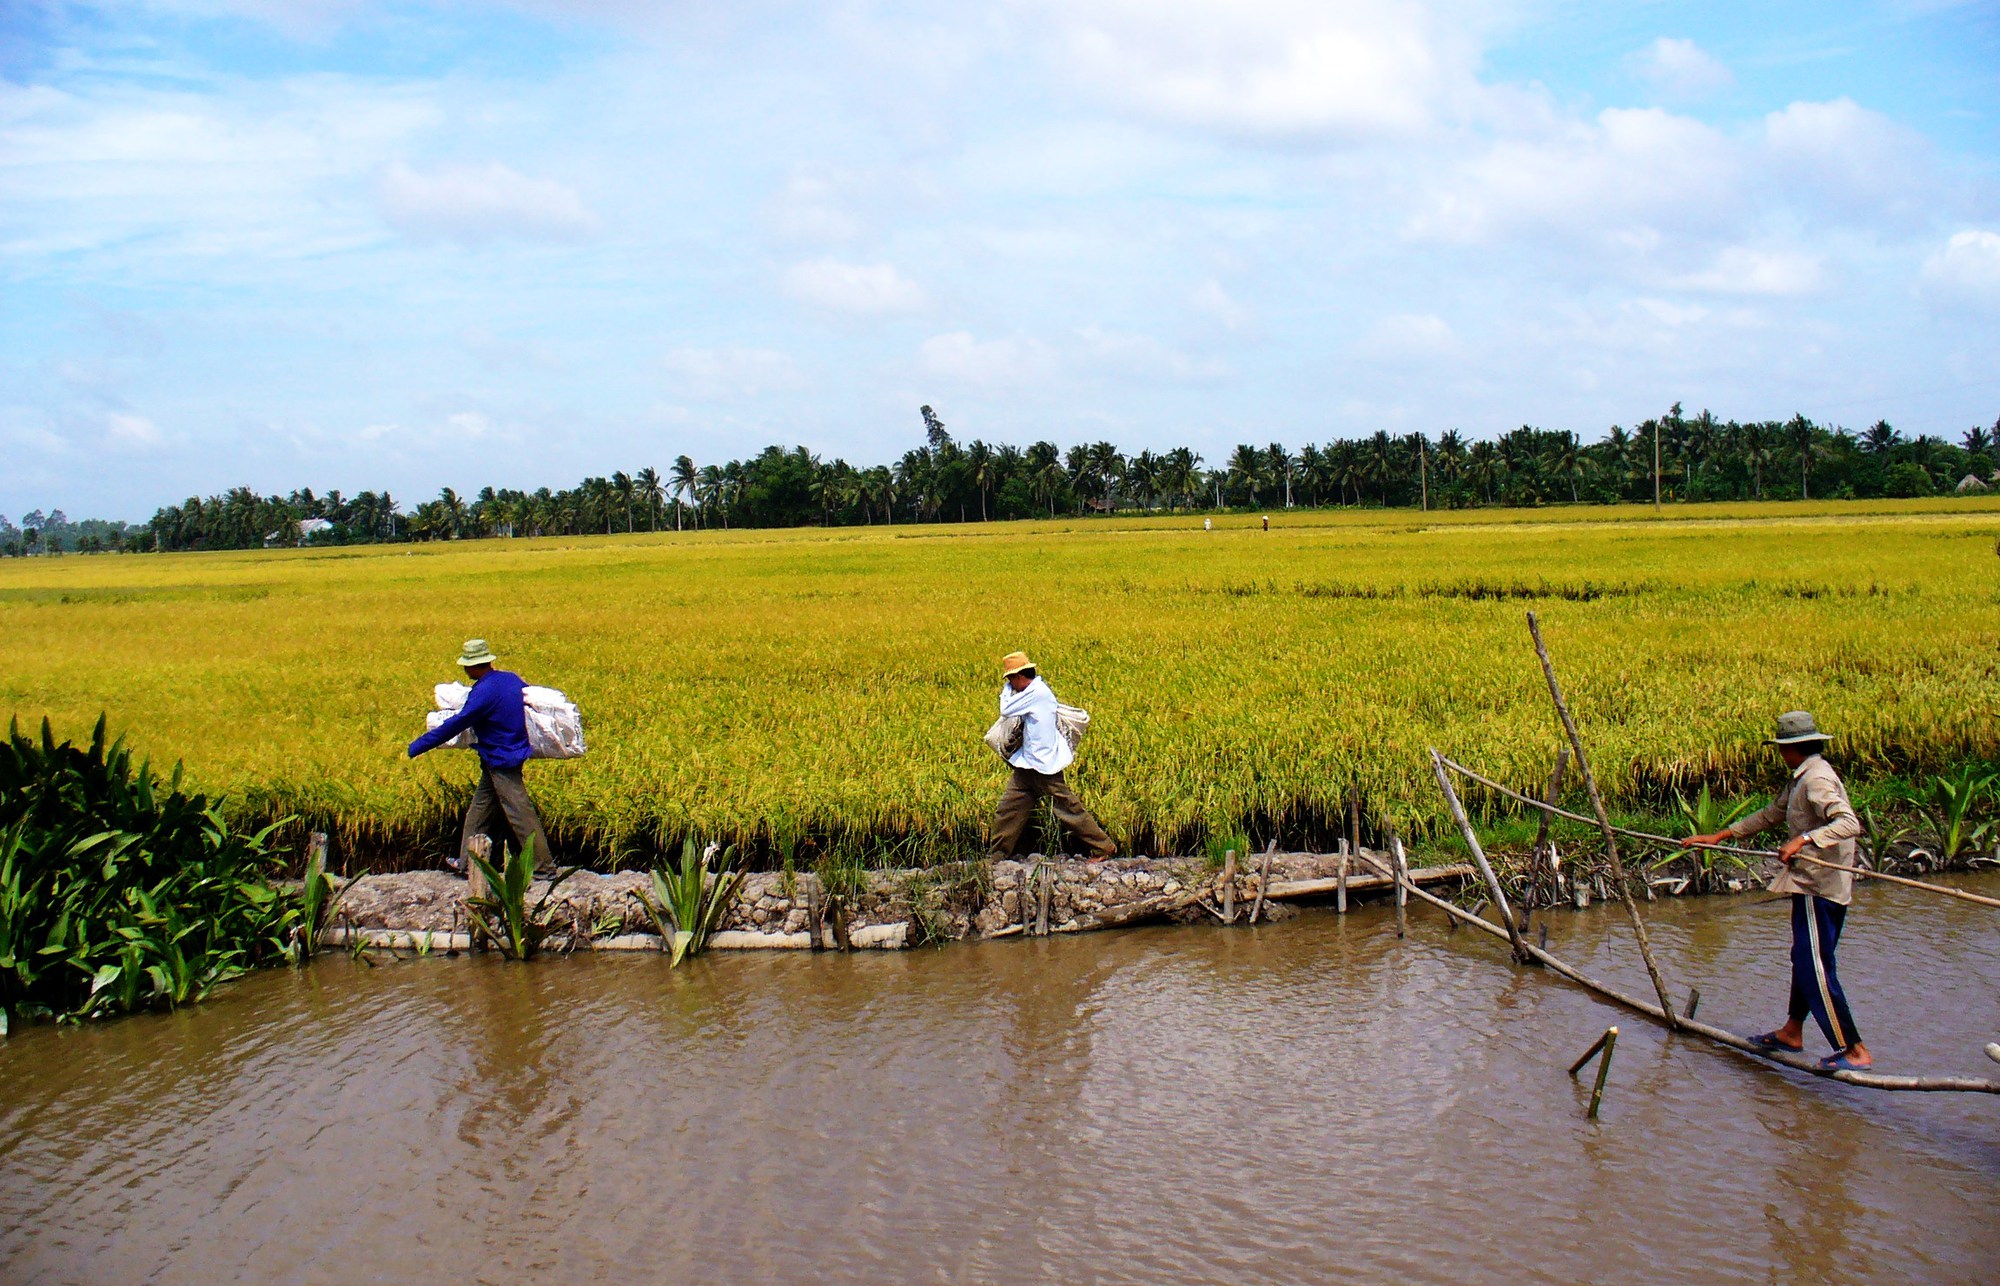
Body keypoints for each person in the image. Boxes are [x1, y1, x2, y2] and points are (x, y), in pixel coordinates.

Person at [1690, 711, 1871, 1071]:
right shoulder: (1803, 778)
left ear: (1792, 749)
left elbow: (1849, 822)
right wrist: (1722, 836)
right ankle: (1792, 1031)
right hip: (1821, 885)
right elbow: (1772, 813)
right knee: (1806, 959)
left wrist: (1803, 839)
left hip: (1818, 885)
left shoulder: (1816, 779)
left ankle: (1853, 1050)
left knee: (1814, 965)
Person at [407, 638, 555, 876]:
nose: (465, 670)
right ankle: (467, 862)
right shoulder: (510, 679)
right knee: (479, 810)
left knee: (519, 811)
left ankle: (543, 867)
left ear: (475, 665)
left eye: (467, 665)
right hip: (505, 754)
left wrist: (420, 745)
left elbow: (457, 723)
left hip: (501, 759)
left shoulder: (483, 693)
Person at [987, 652, 1116, 862]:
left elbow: (1006, 709)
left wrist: (1006, 690)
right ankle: (997, 857)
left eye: (1011, 679)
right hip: (1027, 765)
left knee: (1068, 809)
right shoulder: (1031, 692)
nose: (1010, 683)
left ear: (1020, 676)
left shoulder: (1038, 692)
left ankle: (1103, 846)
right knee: (1008, 810)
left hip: (1045, 766)